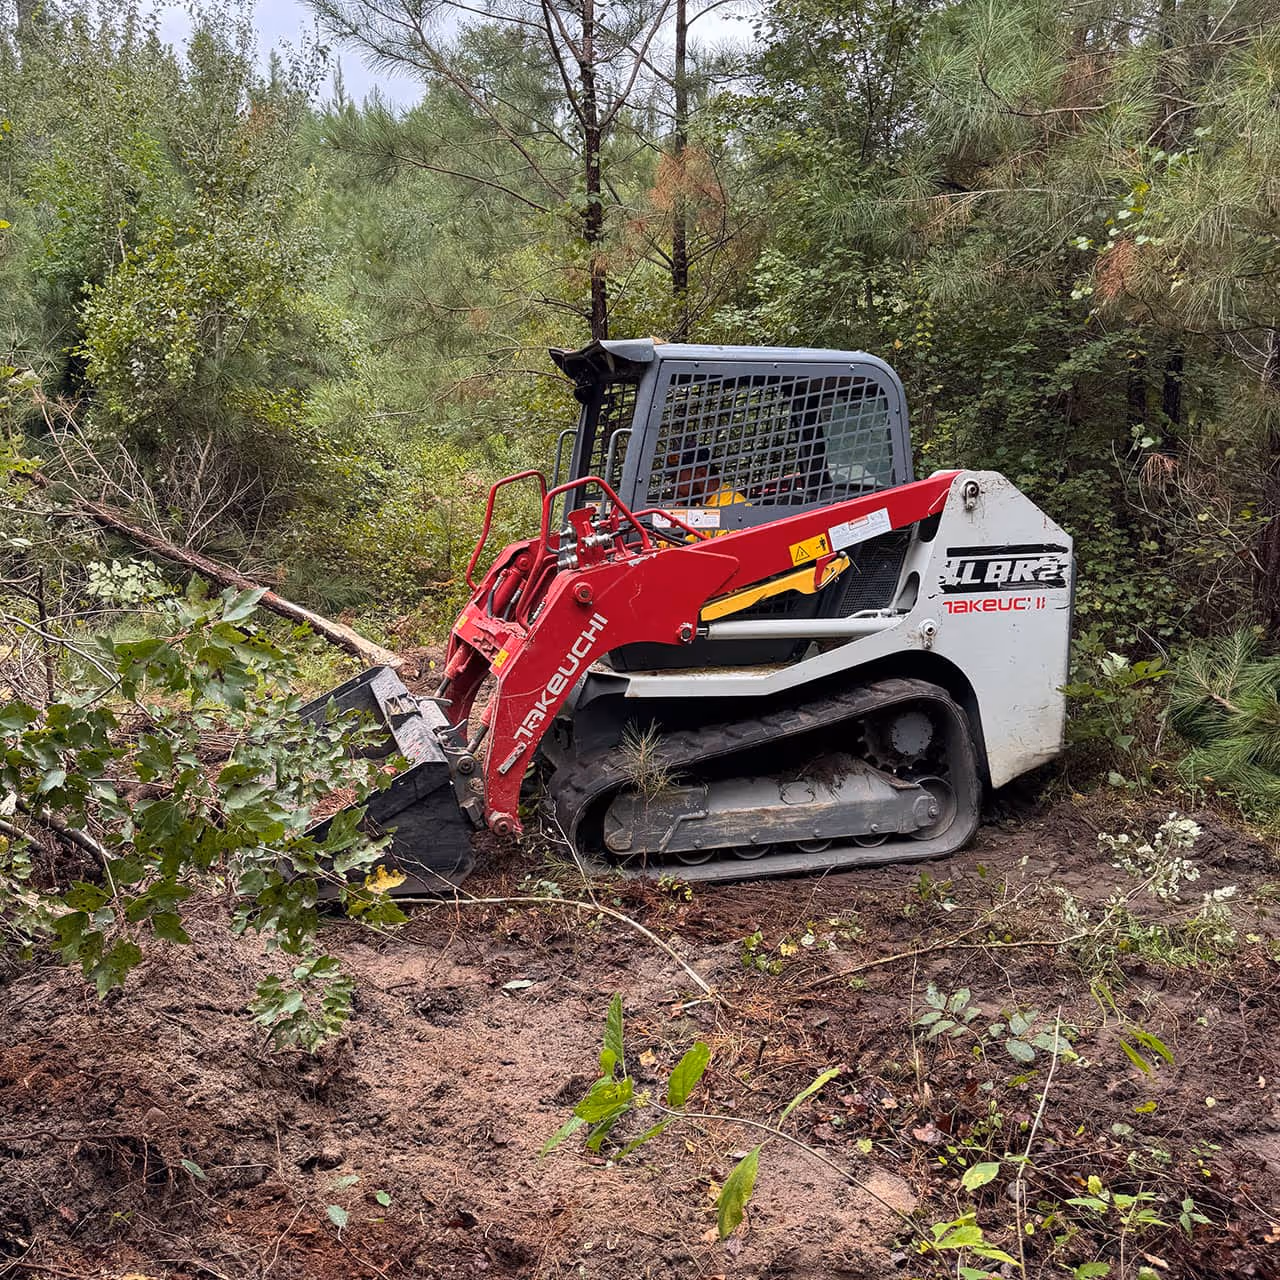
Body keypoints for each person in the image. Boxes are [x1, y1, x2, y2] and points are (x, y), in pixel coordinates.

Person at [668, 442, 748, 508]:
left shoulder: (733, 508)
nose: (673, 486)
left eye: (676, 479)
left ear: (702, 474)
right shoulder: (702, 503)